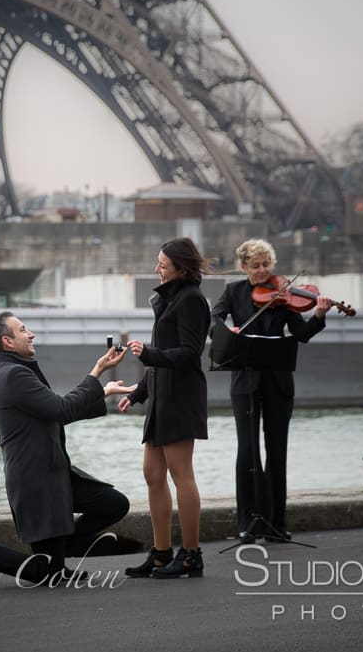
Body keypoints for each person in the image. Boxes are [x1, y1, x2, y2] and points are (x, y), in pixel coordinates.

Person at [0, 311, 136, 588]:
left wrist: (101, 392)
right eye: (23, 330)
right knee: (45, 574)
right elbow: (61, 409)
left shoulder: (13, 371)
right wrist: (97, 372)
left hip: (54, 474)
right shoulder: (12, 375)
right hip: (35, 481)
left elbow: (54, 412)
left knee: (113, 503)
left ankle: (57, 558)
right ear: (8, 342)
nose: (30, 333)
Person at [211, 239, 334, 542]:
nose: (263, 270)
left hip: (278, 381)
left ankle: (276, 523)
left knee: (277, 452)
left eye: (267, 264)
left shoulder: (283, 294)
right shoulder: (233, 292)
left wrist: (318, 316)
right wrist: (230, 332)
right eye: (256, 266)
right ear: (244, 267)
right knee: (248, 451)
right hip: (245, 382)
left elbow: (301, 334)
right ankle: (248, 522)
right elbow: (213, 320)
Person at [117, 238, 211, 578]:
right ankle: (159, 553)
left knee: (180, 474)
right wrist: (140, 392)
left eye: (162, 265)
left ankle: (191, 555)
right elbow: (161, 354)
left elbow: (189, 353)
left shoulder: (192, 300)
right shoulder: (172, 298)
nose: (157, 269)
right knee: (152, 474)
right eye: (157, 263)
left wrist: (148, 354)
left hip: (181, 397)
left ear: (181, 269)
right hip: (161, 395)